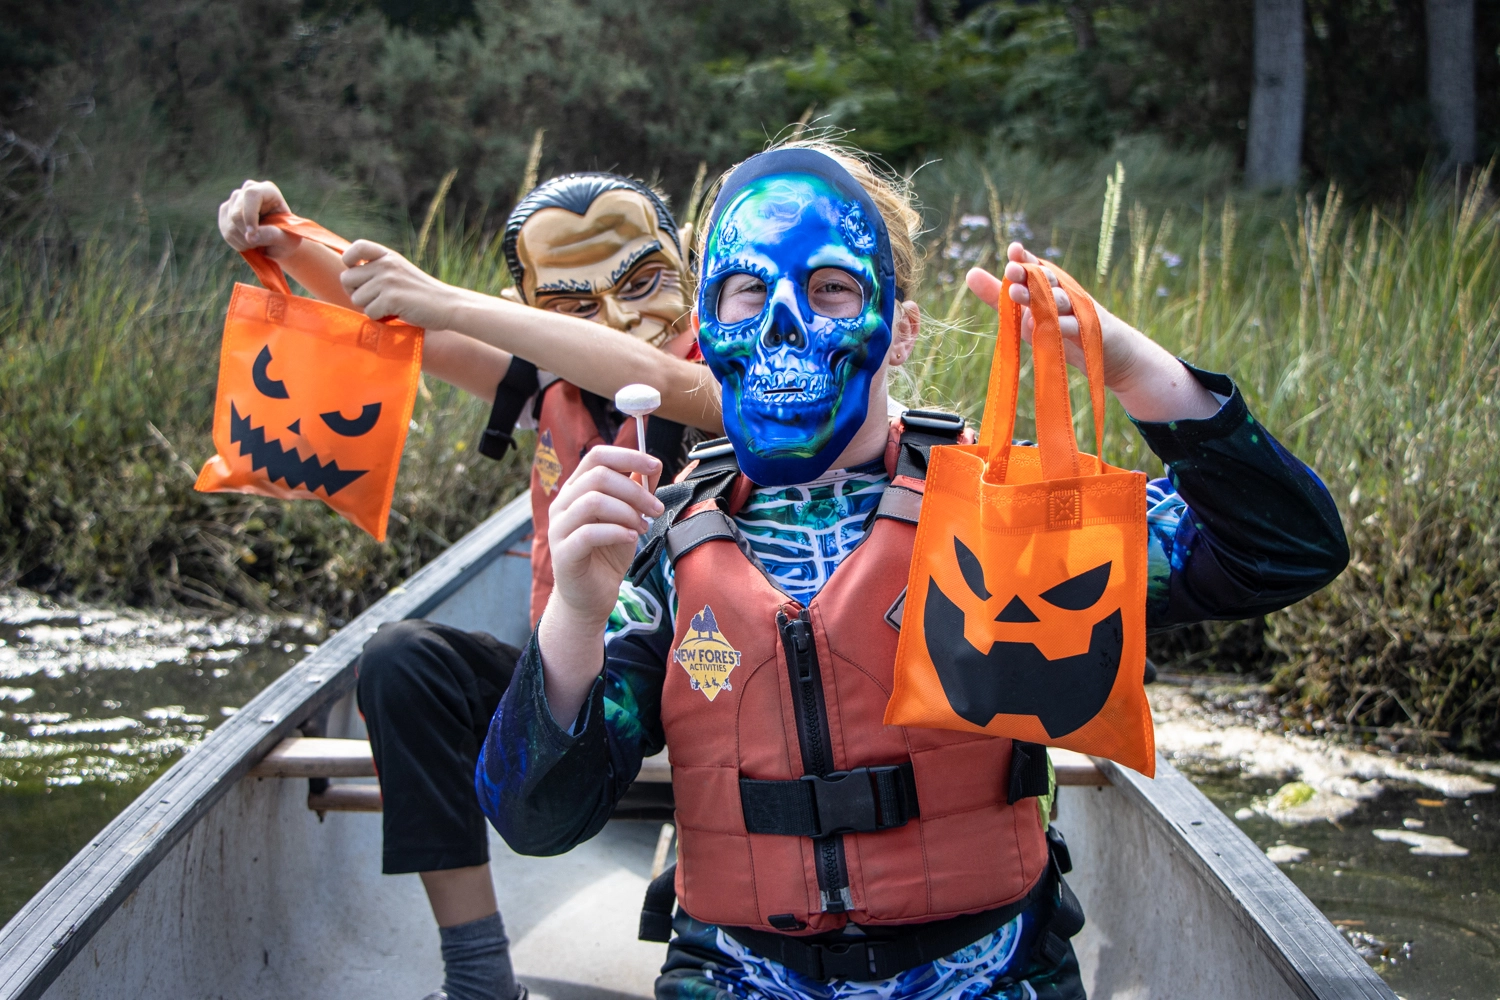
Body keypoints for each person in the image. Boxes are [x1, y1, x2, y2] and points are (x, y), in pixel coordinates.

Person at [473, 140, 1350, 1000]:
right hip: (734, 976)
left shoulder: (996, 512)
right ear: (709, 328)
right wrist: (577, 620)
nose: (785, 320)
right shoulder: (664, 547)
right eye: (748, 292)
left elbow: (1283, 550)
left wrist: (1134, 372)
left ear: (898, 331)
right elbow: (536, 820)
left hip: (991, 973)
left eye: (831, 288)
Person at [216, 173, 720, 1000]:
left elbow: (645, 372)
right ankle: (480, 975)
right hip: (576, 688)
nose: (622, 315)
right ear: (525, 308)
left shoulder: (733, 382)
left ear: (689, 270)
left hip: (715, 682)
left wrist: (450, 301)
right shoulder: (544, 386)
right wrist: (284, 237)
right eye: (570, 303)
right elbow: (396, 318)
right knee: (402, 662)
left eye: (642, 282)